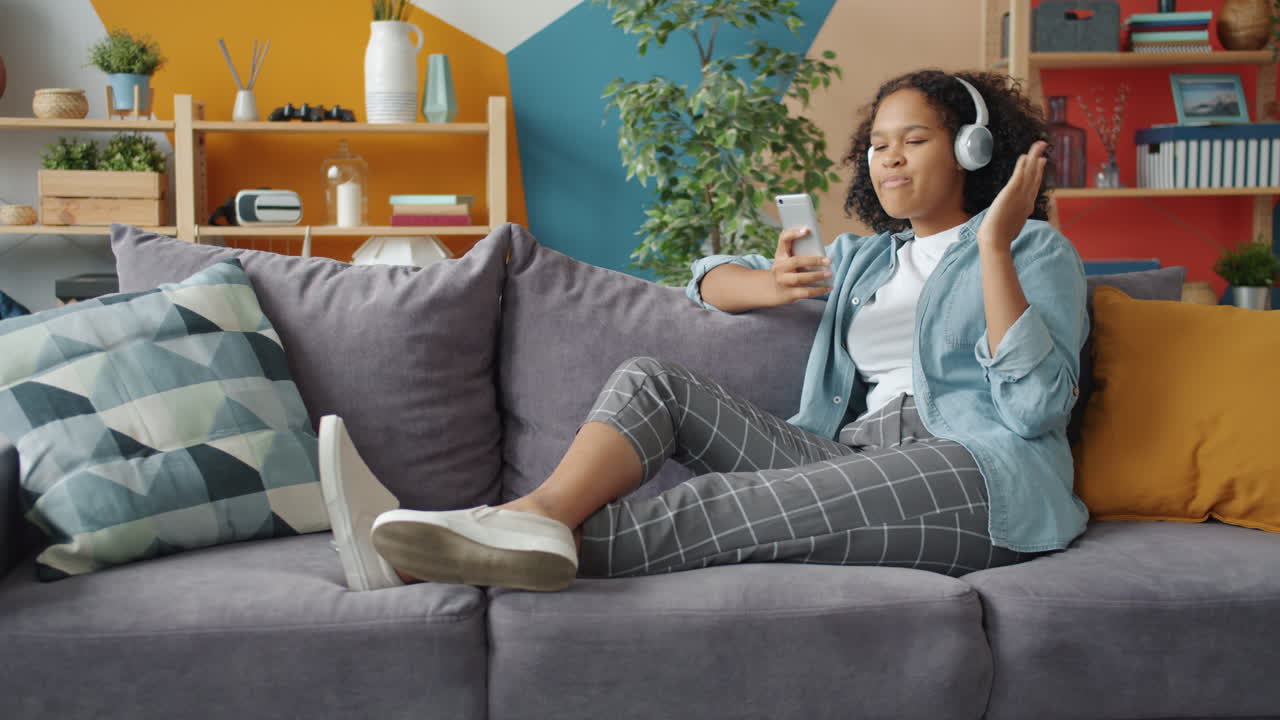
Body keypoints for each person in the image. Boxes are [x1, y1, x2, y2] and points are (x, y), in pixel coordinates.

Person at [319, 68, 1091, 593]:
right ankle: (535, 516)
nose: (888, 158)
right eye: (877, 143)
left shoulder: (1031, 250)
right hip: (852, 452)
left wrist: (992, 246)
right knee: (652, 379)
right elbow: (704, 274)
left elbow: (1035, 411)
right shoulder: (860, 261)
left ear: (969, 149)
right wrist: (772, 283)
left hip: (976, 474)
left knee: (727, 509)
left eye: (913, 140)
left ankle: (439, 553)